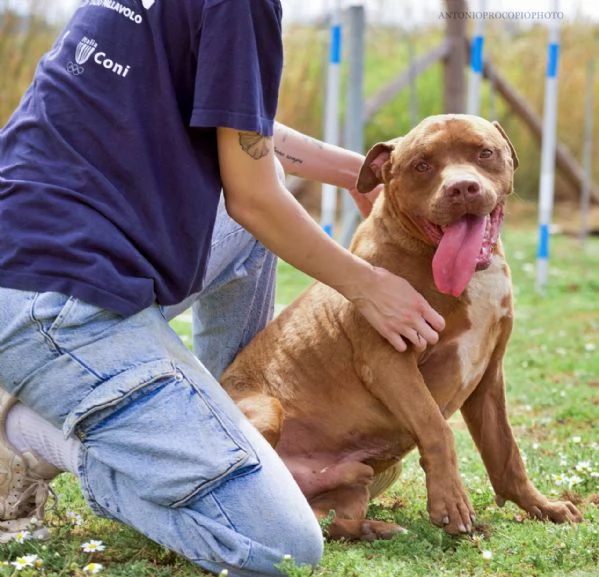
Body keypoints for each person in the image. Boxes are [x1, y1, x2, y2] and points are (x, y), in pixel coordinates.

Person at [0, 1, 445, 575]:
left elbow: (238, 126)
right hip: (60, 304)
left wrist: (362, 170)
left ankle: (235, 416)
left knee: (262, 194)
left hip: (42, 261)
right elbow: (253, 200)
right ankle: (29, 436)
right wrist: (368, 286)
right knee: (281, 547)